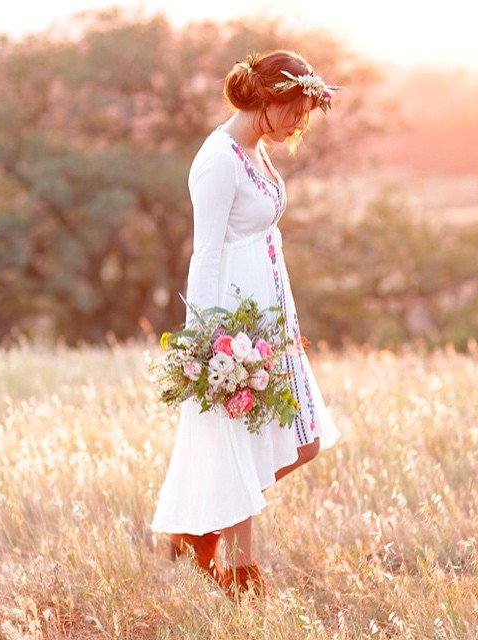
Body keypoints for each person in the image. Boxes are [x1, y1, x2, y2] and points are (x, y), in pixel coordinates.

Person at [150, 49, 341, 599]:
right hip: (235, 324)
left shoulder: (255, 150)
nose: (303, 122)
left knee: (303, 442)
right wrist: (205, 343)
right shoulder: (218, 160)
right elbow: (205, 255)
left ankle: (196, 532)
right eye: (299, 110)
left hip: (272, 313)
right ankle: (240, 574)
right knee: (244, 438)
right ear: (270, 100)